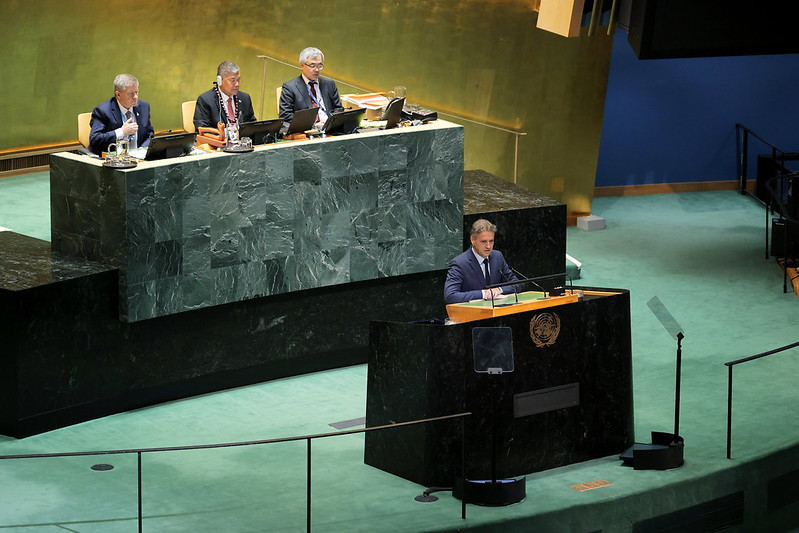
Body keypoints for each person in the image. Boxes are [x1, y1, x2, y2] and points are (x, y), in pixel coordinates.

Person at [444, 219, 520, 304]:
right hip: (472, 314)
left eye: (491, 241)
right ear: (473, 240)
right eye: (483, 242)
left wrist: (499, 289)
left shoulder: (497, 257)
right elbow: (450, 296)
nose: (488, 246)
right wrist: (483, 294)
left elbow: (516, 284)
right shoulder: (459, 263)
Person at [89, 74, 154, 155]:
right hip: (113, 159)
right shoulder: (102, 111)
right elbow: (95, 140)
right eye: (130, 94)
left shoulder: (144, 107)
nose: (135, 97)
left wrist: (142, 150)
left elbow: (150, 135)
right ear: (118, 95)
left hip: (140, 159)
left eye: (136, 92)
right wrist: (121, 132)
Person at [279, 47, 344, 127]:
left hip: (329, 128)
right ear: (302, 65)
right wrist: (313, 125)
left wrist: (328, 122)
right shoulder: (290, 87)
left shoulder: (329, 84)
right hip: (306, 131)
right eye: (312, 66)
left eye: (320, 66)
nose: (317, 70)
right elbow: (285, 116)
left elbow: (339, 108)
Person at [193, 61, 256, 131]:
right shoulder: (205, 100)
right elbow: (202, 130)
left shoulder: (245, 98)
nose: (237, 84)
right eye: (233, 80)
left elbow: (252, 125)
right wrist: (225, 135)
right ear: (219, 81)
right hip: (217, 141)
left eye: (238, 79)